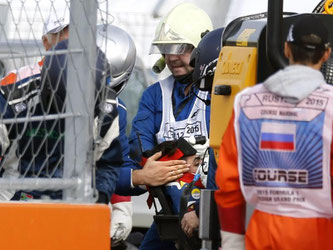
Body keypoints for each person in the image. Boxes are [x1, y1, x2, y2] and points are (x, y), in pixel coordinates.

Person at [215, 15, 333, 250]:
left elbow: (228, 182)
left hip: (262, 234)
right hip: (318, 236)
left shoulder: (245, 103)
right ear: (326, 55)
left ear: (286, 49)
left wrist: (232, 241)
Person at [116, 2, 214, 249]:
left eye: (180, 48)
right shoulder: (154, 95)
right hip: (170, 219)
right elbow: (138, 158)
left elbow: (228, 161)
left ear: (201, 47)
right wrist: (144, 174)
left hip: (213, 218)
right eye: (166, 48)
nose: (171, 57)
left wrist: (202, 211)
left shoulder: (219, 93)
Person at [0, 12, 123, 204]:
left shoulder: (107, 106)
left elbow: (107, 164)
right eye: (67, 36)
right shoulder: (15, 96)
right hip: (16, 198)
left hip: (77, 202)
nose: (76, 44)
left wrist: (98, 203)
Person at [96, 23, 136, 248]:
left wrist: (122, 208)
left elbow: (114, 160)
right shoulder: (50, 94)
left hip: (92, 200)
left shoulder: (117, 110)